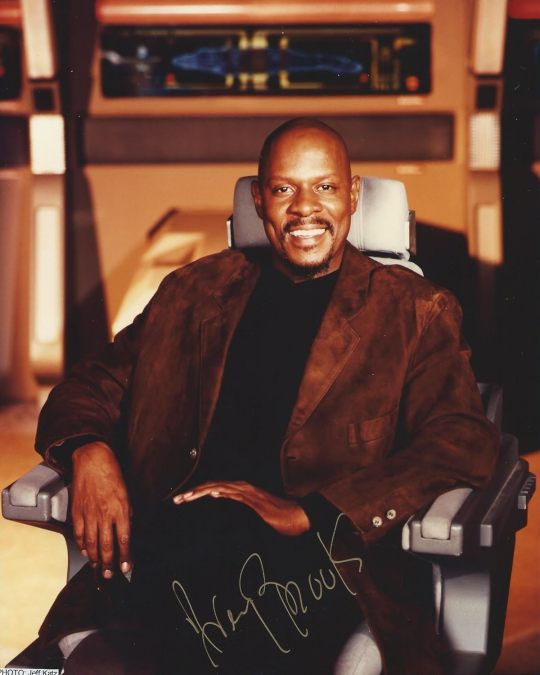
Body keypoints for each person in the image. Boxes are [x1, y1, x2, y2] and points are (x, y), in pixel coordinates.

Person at [32, 118, 499, 674]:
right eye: (283, 189)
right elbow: (88, 387)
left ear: (352, 195)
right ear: (258, 199)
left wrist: (312, 512)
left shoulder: (414, 310)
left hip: (318, 568)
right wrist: (89, 451)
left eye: (325, 186)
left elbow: (460, 440)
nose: (305, 208)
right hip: (175, 546)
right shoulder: (191, 293)